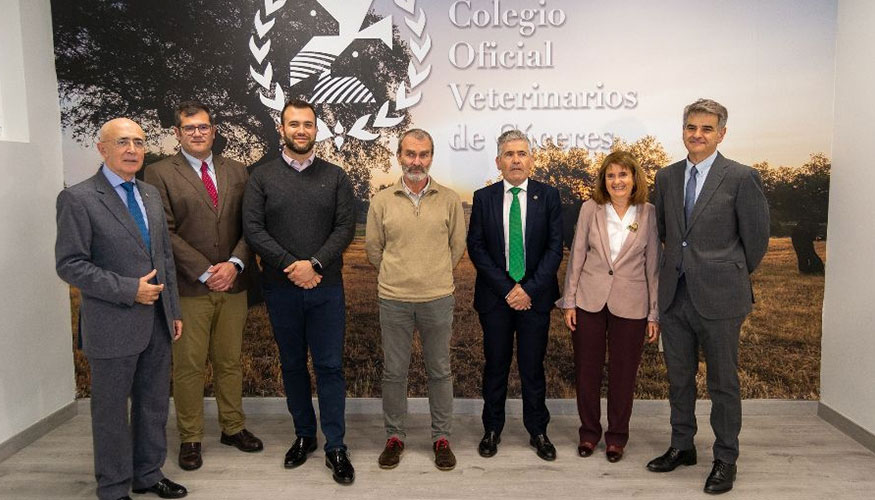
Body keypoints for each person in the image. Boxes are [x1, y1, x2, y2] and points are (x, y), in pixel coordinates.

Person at [55, 118, 188, 500]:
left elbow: (163, 257)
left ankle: (148, 474)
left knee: (153, 404)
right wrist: (130, 290)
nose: (132, 150)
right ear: (102, 149)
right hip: (112, 323)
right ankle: (113, 488)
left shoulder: (148, 194)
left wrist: (173, 309)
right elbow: (70, 264)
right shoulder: (78, 199)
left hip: (158, 322)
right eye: (123, 142)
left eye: (139, 142)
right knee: (111, 413)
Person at [646, 99, 770, 494]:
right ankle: (682, 446)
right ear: (682, 129)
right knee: (679, 379)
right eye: (691, 127)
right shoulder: (665, 177)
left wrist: (725, 272)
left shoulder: (740, 177)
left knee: (722, 383)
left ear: (721, 133)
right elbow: (666, 232)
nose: (697, 135)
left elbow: (756, 240)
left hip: (721, 298)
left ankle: (725, 458)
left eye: (706, 129)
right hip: (675, 296)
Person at [242, 99, 356, 485]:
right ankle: (305, 436)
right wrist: (293, 265)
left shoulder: (337, 176)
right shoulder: (261, 177)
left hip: (327, 288)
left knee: (329, 367)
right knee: (292, 365)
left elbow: (344, 228)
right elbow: (254, 230)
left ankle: (335, 446)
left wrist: (315, 265)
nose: (302, 130)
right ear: (282, 129)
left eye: (308, 124)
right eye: (294, 124)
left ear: (317, 129)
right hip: (281, 287)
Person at [144, 101, 262, 471]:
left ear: (214, 131)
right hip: (189, 288)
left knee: (229, 362)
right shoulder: (158, 174)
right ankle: (191, 437)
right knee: (190, 367)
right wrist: (206, 270)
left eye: (204, 127)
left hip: (234, 285)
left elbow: (251, 226)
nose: (198, 133)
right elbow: (164, 232)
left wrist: (235, 263)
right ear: (177, 133)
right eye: (189, 128)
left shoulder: (239, 171)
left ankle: (233, 427)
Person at [365, 129, 467, 471]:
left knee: (440, 370)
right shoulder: (381, 201)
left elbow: (456, 248)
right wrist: (398, 275)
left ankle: (441, 438)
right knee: (395, 372)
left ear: (431, 157)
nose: (416, 161)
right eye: (410, 154)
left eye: (423, 154)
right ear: (399, 156)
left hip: (437, 298)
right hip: (394, 300)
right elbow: (374, 249)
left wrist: (432, 275)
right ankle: (395, 438)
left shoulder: (450, 199)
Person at [556, 151, 660, 463]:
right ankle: (589, 433)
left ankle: (617, 437)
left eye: (623, 175)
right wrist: (569, 301)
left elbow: (654, 264)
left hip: (632, 303)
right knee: (587, 370)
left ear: (634, 179)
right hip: (588, 299)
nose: (617, 181)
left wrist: (654, 312)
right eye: (611, 175)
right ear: (604, 180)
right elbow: (576, 256)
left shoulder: (649, 213)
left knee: (623, 373)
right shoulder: (590, 209)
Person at [467, 129, 563, 461]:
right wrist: (509, 289)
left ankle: (538, 430)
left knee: (532, 367)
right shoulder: (484, 198)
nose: (516, 159)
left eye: (522, 153)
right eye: (509, 154)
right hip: (496, 299)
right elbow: (476, 248)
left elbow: (554, 248)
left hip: (535, 299)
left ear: (532, 160)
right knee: (495, 366)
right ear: (498, 161)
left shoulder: (549, 196)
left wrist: (528, 289)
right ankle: (492, 429)